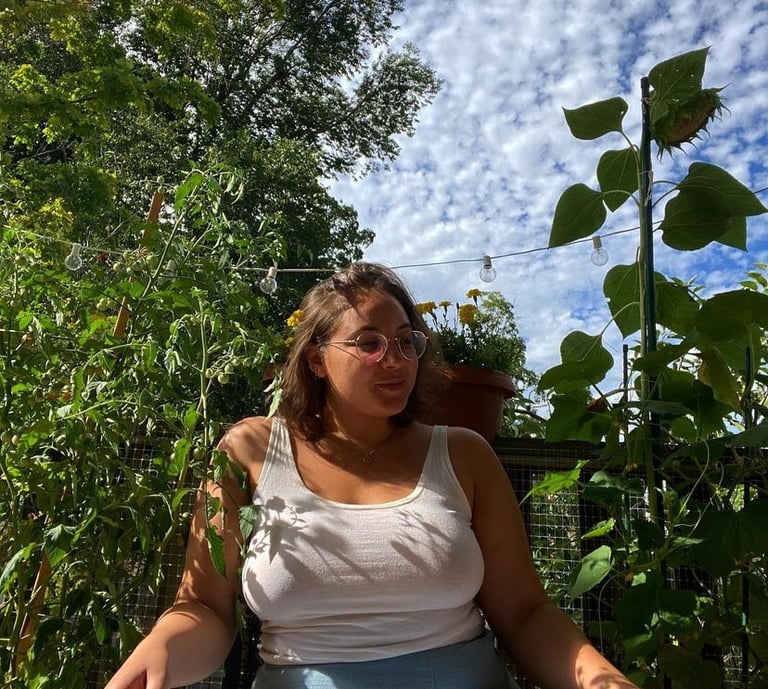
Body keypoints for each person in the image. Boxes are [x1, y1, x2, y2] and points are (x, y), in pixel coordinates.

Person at [105, 262, 639, 689]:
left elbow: (525, 614)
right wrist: (161, 652)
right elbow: (202, 605)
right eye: (369, 343)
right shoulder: (250, 449)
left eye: (407, 341)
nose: (397, 359)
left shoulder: (462, 455)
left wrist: (597, 678)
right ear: (316, 358)